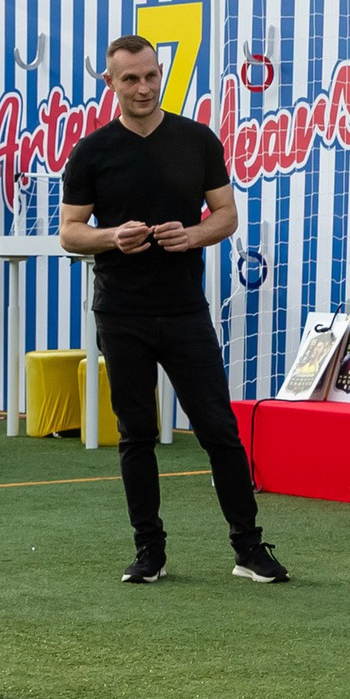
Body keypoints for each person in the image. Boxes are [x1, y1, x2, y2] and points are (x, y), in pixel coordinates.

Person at [58, 34, 287, 585]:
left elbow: (226, 215)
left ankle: (249, 548)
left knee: (219, 430)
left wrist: (192, 236)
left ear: (162, 74)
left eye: (150, 76)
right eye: (129, 78)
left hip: (185, 309)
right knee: (136, 432)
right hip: (121, 312)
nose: (142, 87)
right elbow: (69, 232)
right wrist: (114, 236)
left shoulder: (197, 139)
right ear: (109, 83)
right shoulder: (91, 152)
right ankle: (149, 551)